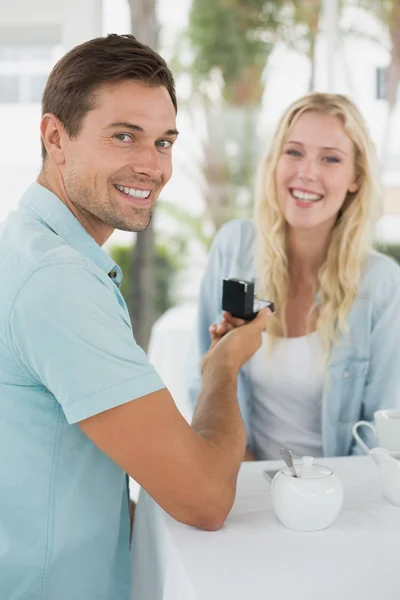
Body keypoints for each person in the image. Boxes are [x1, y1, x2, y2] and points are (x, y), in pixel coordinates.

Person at [0, 34, 272, 600]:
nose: (152, 166)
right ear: (56, 138)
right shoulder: (58, 281)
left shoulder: (25, 245)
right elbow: (204, 499)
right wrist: (224, 367)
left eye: (164, 141)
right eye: (124, 136)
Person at [188, 92, 400, 461]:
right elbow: (202, 379)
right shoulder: (233, 248)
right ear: (274, 161)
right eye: (294, 152)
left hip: (340, 495)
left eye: (330, 159)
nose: (307, 172)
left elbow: (382, 434)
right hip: (242, 480)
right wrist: (241, 468)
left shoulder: (382, 285)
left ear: (356, 178)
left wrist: (316, 497)